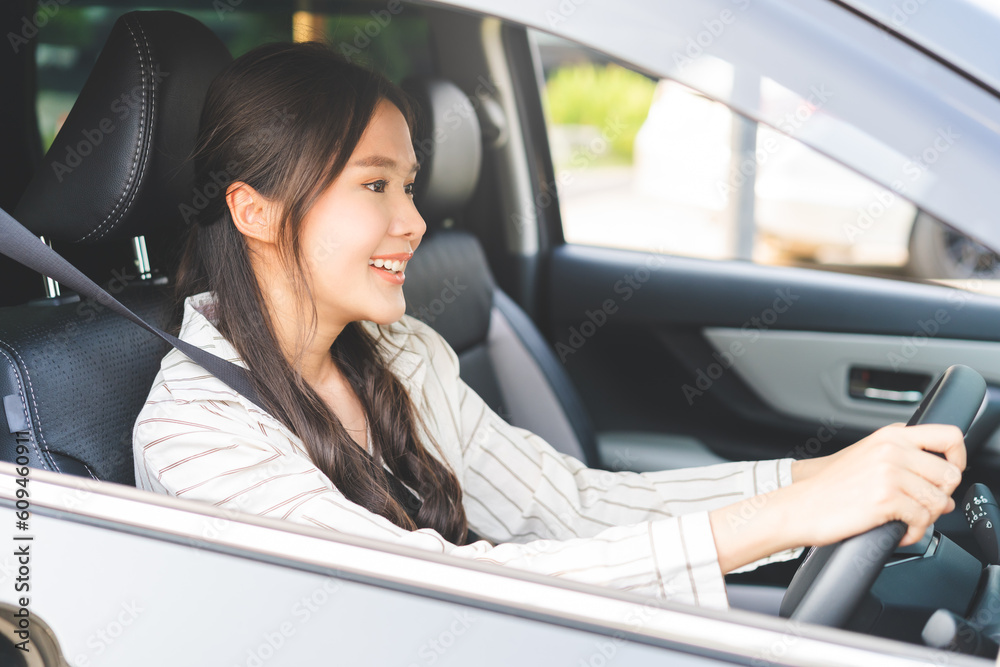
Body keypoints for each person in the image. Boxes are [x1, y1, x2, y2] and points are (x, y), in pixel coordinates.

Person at [132, 41, 965, 610]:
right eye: (374, 186)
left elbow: (567, 505)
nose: (414, 222)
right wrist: (782, 521)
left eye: (411, 187)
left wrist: (818, 480)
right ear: (254, 208)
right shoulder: (195, 435)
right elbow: (434, 593)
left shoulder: (396, 353)